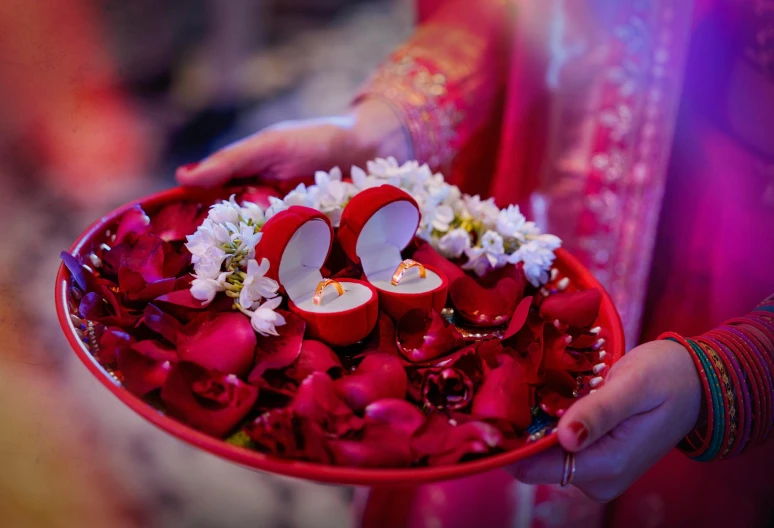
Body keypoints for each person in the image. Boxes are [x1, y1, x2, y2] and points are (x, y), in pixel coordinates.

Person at [177, 0, 774, 526]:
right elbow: (514, 14)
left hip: (726, 270)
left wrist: (728, 374)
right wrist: (381, 131)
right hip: (521, 213)